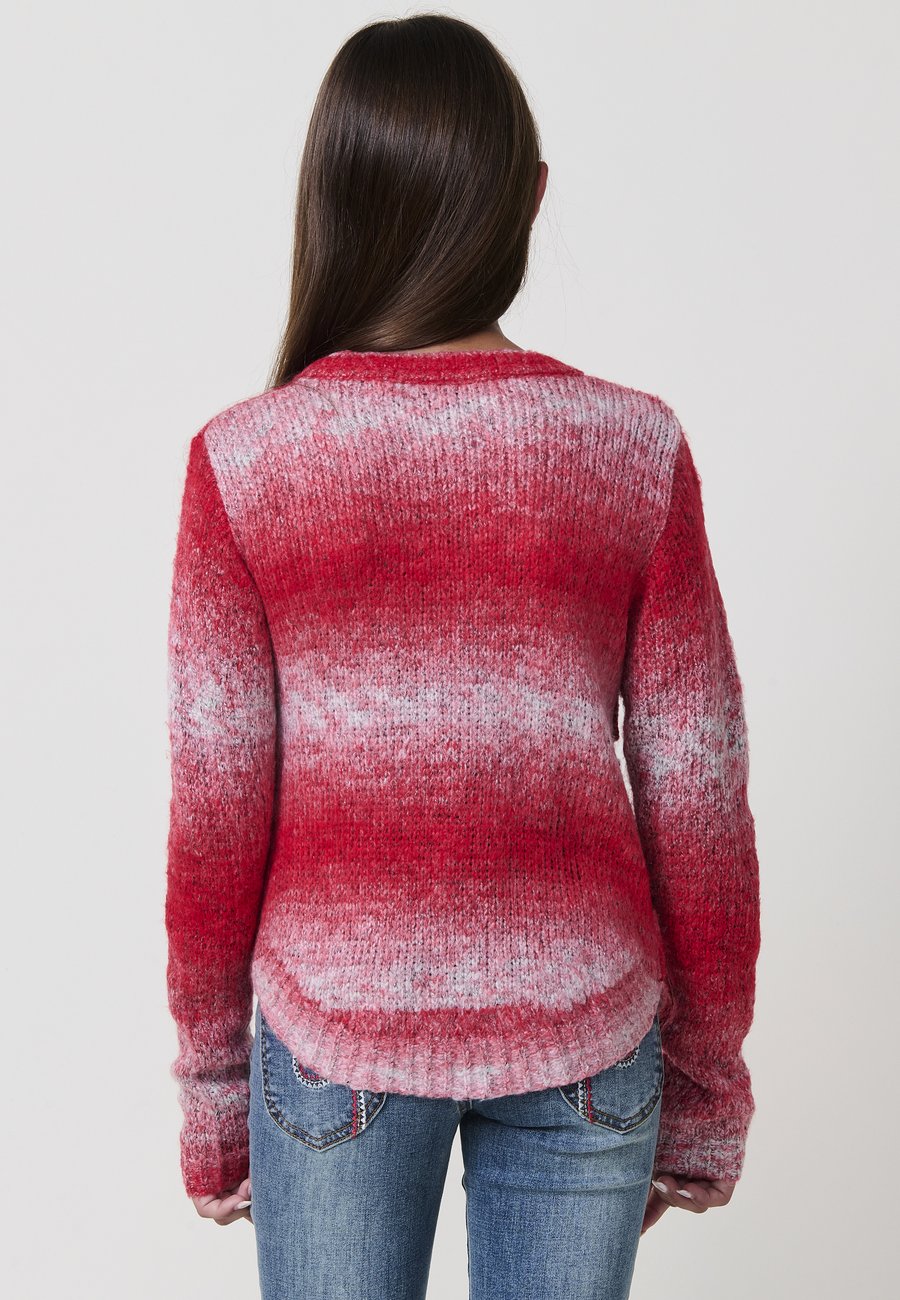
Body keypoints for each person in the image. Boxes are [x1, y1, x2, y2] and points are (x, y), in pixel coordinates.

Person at [164, 12, 761, 1299]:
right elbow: (700, 788)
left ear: (333, 202)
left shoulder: (245, 461)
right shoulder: (633, 448)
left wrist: (212, 1085)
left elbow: (217, 805)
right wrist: (710, 1083)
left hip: (333, 1031)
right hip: (589, 1029)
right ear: (529, 197)